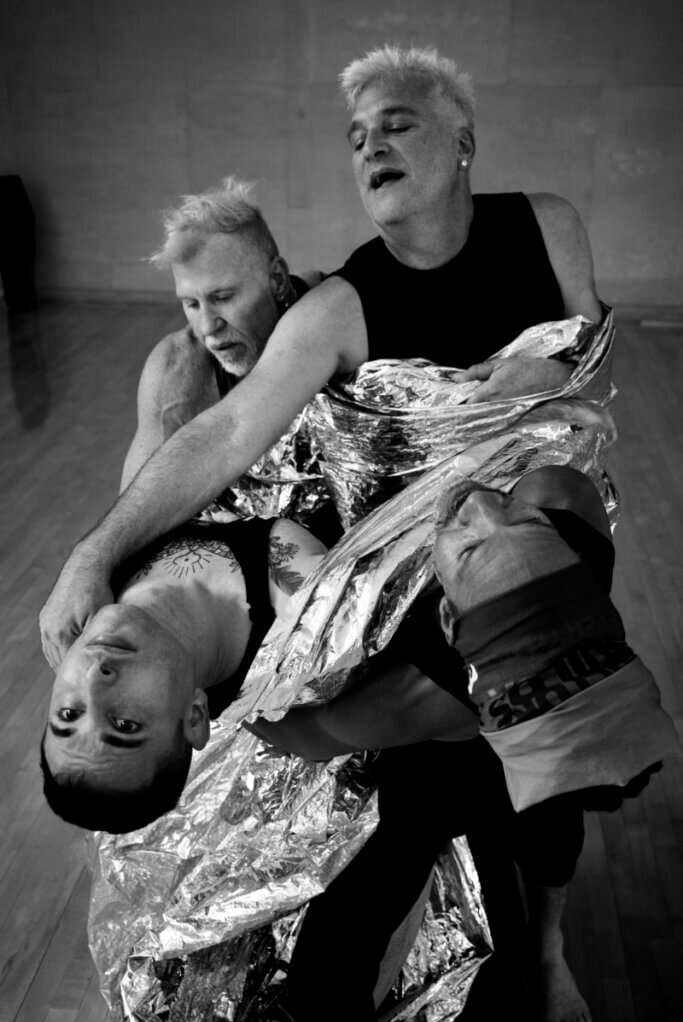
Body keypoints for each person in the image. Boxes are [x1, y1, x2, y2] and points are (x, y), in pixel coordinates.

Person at [39, 44, 604, 668]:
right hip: (429, 594)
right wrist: (90, 558)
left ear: (462, 142)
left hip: (556, 543)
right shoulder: (337, 311)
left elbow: (596, 364)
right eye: (357, 138)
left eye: (397, 125)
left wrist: (559, 377)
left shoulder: (549, 226)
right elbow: (227, 431)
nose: (371, 147)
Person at [250, 466, 679, 1022]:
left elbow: (304, 736)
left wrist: (223, 708)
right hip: (432, 753)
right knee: (350, 930)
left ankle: (549, 955)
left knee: (551, 831)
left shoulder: (418, 698)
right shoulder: (565, 502)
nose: (481, 502)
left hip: (457, 726)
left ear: (449, 620)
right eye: (520, 517)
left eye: (472, 545)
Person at [40, 513, 326, 834]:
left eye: (68, 713)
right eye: (125, 724)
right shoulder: (297, 603)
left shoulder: (92, 588)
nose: (94, 678)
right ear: (194, 716)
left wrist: (90, 560)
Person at [119, 176, 321, 492]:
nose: (207, 326)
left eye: (222, 298)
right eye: (191, 303)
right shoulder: (174, 373)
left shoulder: (332, 313)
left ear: (278, 280)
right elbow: (134, 517)